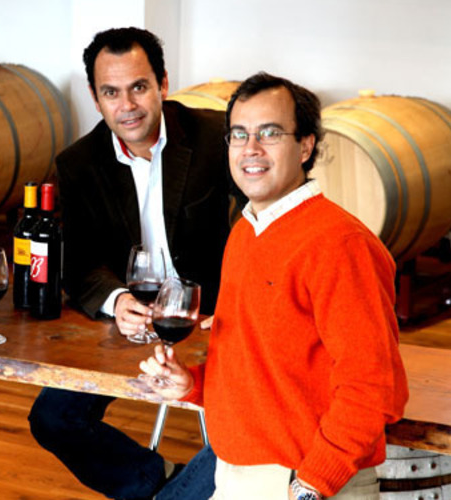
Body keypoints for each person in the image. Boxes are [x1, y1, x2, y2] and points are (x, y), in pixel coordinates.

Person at [140, 72, 409, 500]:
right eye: (239, 134)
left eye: (270, 133)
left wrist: (311, 486)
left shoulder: (340, 243)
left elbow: (373, 387)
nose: (251, 148)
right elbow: (261, 365)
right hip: (236, 474)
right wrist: (193, 385)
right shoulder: (246, 231)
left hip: (302, 481)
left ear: (305, 146)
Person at [28, 27, 234, 500]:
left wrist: (240, 304)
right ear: (95, 97)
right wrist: (116, 300)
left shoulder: (215, 138)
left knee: (244, 421)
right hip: (135, 327)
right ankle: (155, 483)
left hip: (215, 320)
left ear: (163, 83)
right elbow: (79, 262)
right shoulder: (79, 163)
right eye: (111, 92)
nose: (127, 105)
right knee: (54, 418)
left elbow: (258, 223)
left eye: (139, 87)